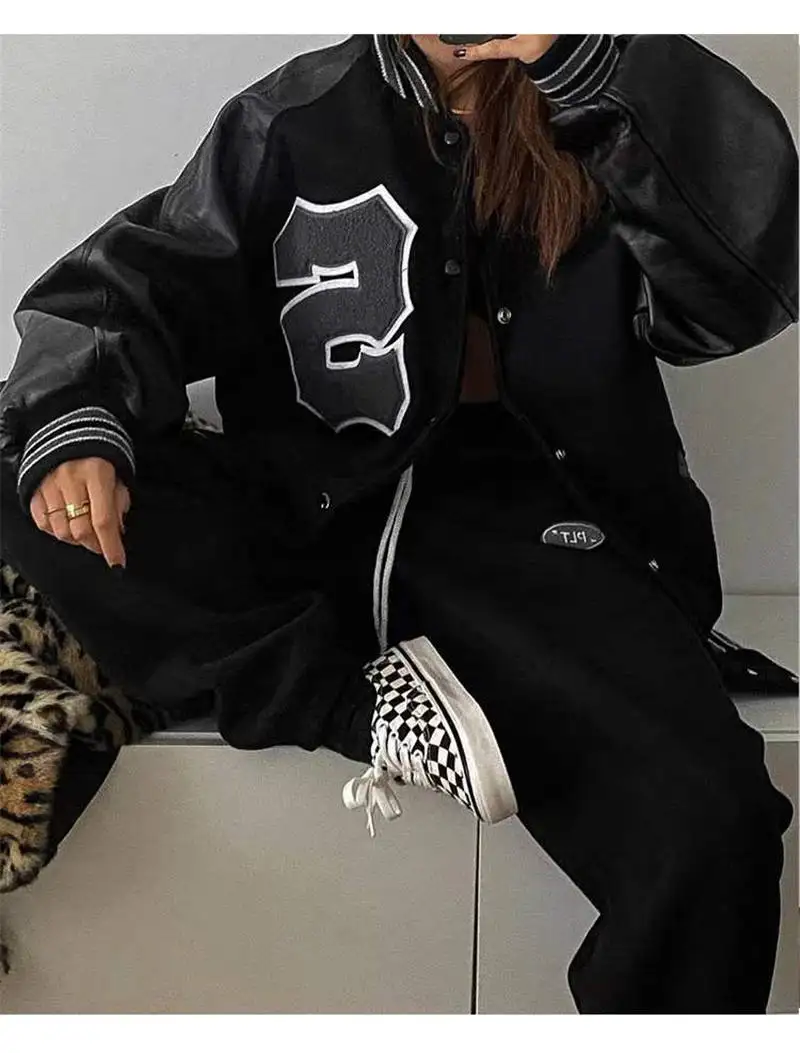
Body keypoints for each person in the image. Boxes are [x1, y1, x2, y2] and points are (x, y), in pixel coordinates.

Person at [0, 33, 797, 1013]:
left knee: (712, 828)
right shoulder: (291, 115)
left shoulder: (613, 93)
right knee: (25, 434)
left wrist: (582, 60)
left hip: (534, 529)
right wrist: (82, 422)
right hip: (306, 514)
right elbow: (132, 282)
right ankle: (363, 706)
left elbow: (741, 293)